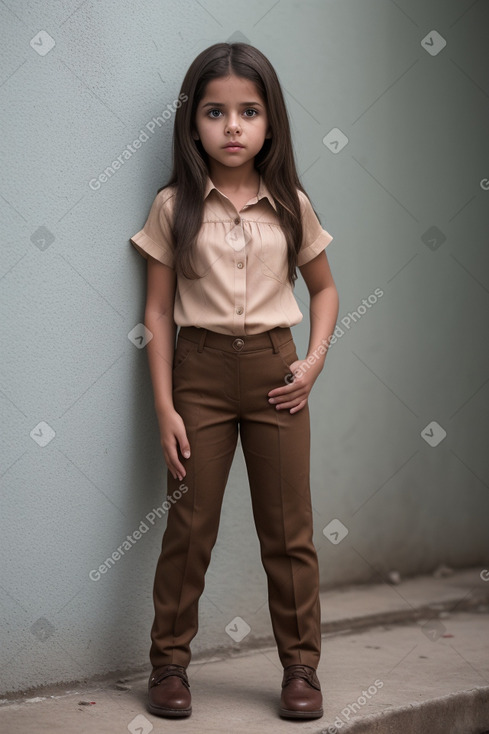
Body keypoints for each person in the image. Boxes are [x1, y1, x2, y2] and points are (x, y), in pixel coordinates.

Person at [129, 41, 339, 721]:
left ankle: (300, 668)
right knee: (189, 525)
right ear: (193, 124)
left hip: (277, 373)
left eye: (248, 111)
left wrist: (311, 362)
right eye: (215, 112)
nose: (232, 127)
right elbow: (157, 311)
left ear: (270, 121)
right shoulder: (173, 206)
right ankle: (167, 665)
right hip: (200, 374)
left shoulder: (289, 202)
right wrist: (164, 406)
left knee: (288, 528)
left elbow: (326, 290)